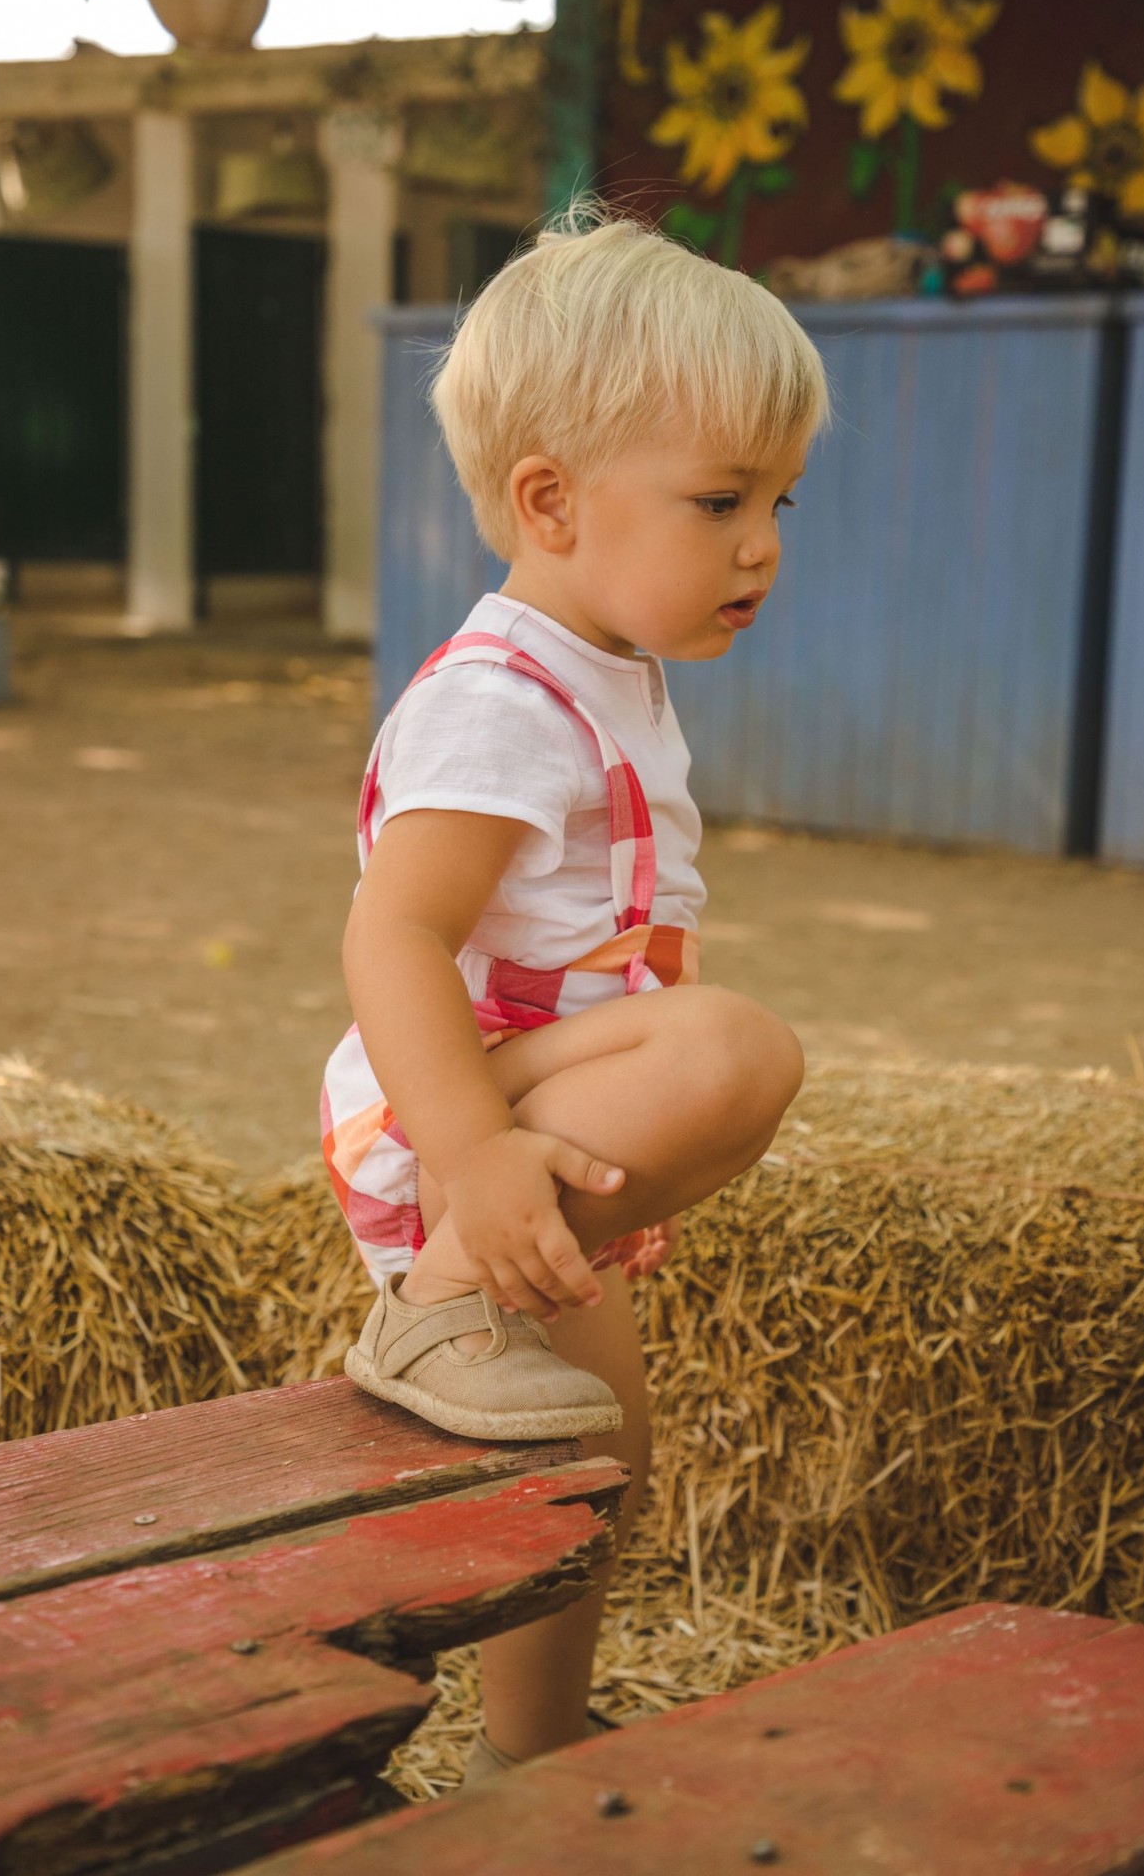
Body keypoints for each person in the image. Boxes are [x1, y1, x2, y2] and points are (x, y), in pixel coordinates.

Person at [321, 202, 828, 1785]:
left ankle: (526, 1754)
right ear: (549, 501)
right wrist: (472, 1156)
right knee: (731, 1051)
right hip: (459, 1122)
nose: (761, 542)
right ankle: (433, 1317)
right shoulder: (498, 701)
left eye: (779, 501)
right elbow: (390, 941)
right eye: (720, 499)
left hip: (515, 1123)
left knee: (593, 1455)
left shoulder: (603, 665)